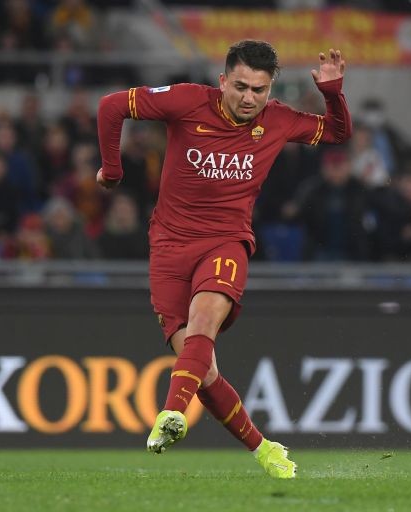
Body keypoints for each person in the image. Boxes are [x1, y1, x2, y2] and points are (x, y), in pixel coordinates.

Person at [96, 40, 351, 478]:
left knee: (202, 325)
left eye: (259, 89)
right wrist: (113, 170)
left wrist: (332, 93)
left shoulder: (278, 121)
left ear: (271, 90)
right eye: (240, 87)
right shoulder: (188, 101)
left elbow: (337, 133)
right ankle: (264, 449)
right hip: (169, 248)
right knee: (205, 371)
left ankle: (171, 413)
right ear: (222, 82)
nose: (249, 98)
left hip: (226, 242)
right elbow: (110, 106)